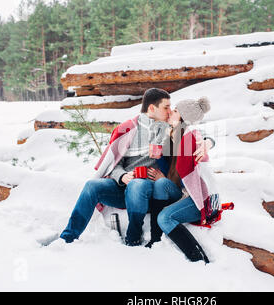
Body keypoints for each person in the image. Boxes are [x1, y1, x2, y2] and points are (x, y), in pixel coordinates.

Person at [59, 88, 215, 246]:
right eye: (166, 107)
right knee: (91, 186)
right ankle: (68, 237)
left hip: (149, 191)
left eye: (171, 108)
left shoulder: (167, 130)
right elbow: (114, 163)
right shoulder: (128, 129)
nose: (169, 111)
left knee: (137, 184)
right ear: (152, 108)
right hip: (123, 187)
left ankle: (134, 235)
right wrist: (121, 176)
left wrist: (207, 142)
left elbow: (192, 130)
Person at [146, 97, 221, 264]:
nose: (171, 112)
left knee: (165, 218)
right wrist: (158, 157)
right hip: (184, 191)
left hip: (200, 198)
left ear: (183, 117)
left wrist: (208, 142)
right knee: (161, 184)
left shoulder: (190, 137)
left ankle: (199, 259)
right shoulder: (175, 135)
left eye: (175, 111)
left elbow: (186, 167)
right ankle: (155, 239)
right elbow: (173, 169)